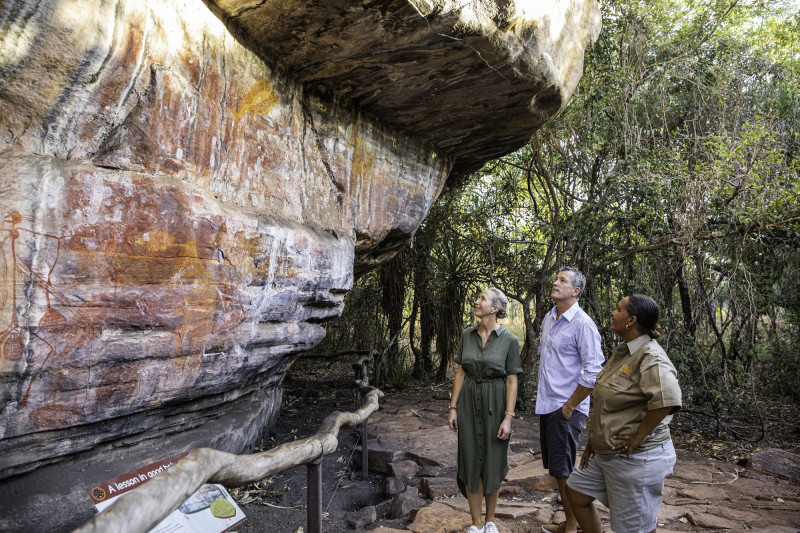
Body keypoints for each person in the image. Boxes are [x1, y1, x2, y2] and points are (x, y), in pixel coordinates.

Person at [566, 294, 682, 533]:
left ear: (631, 321)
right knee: (576, 493)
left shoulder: (651, 356)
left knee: (633, 527)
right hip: (605, 453)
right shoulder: (624, 352)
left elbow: (667, 400)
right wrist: (595, 441)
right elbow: (609, 400)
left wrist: (639, 436)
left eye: (618, 309)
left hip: (636, 459)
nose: (613, 312)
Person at [536, 266, 604, 533]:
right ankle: (571, 524)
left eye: (562, 280)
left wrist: (570, 406)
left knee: (565, 471)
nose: (555, 282)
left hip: (566, 408)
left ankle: (573, 528)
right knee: (558, 471)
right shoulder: (549, 318)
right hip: (548, 404)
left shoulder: (583, 324)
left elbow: (593, 370)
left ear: (575, 291)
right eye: (556, 278)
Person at [449, 287, 522, 533]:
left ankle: (490, 521)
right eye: (478, 297)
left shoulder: (510, 341)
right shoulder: (466, 335)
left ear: (495, 309)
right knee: (470, 459)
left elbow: (512, 380)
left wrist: (508, 417)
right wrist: (453, 407)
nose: (476, 301)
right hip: (469, 401)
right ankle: (476, 524)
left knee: (493, 459)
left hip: (496, 401)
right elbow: (461, 372)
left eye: (482, 299)